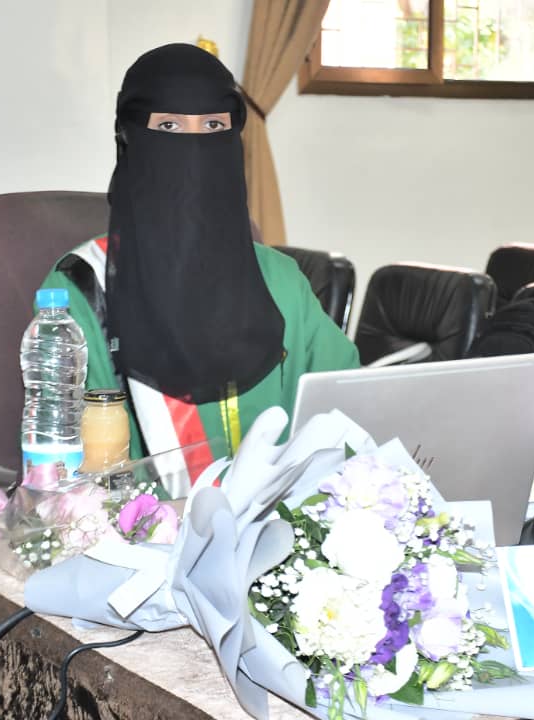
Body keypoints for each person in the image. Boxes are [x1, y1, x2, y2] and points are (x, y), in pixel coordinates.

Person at [38, 43, 359, 473]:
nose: (193, 145)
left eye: (213, 124)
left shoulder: (282, 280)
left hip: (283, 512)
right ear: (130, 137)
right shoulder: (81, 288)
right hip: (146, 515)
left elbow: (353, 412)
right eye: (169, 125)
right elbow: (65, 468)